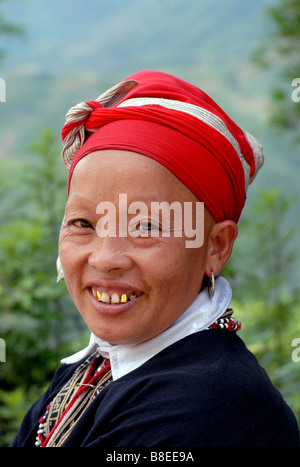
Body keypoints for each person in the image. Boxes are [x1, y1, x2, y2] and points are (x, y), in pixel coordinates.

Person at [11, 70, 300, 447]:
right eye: (83, 222)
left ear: (216, 247)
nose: (106, 258)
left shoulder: (206, 406)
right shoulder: (94, 369)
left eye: (146, 227)